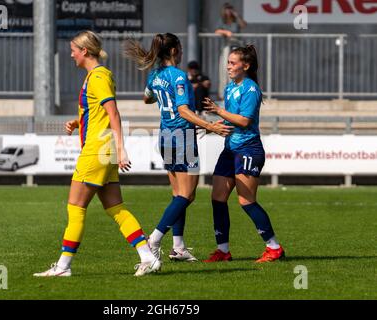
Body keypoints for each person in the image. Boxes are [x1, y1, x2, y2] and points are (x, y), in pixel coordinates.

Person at [34, 31, 160, 277]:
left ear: (84, 51)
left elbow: (113, 114)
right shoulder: (96, 76)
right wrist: (76, 122)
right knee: (116, 208)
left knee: (76, 207)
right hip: (104, 150)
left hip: (97, 151)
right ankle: (147, 256)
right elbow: (97, 113)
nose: (71, 54)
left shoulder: (98, 77)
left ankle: (63, 267)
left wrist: (122, 149)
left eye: (73, 50)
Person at [124, 33, 231, 263]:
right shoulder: (179, 76)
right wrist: (209, 126)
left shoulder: (154, 75)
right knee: (187, 194)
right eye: (180, 49)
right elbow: (183, 110)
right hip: (182, 136)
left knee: (178, 195)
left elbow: (146, 98)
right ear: (173, 51)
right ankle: (153, 238)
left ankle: (179, 247)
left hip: (165, 136)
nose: (182, 53)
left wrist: (163, 97)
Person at [202, 45, 285, 263]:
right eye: (228, 62)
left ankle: (274, 247)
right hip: (230, 150)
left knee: (246, 200)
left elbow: (245, 121)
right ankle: (223, 250)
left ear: (245, 66)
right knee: (217, 198)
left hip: (248, 150)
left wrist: (219, 111)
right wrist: (215, 125)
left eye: (232, 63)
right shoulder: (231, 88)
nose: (228, 66)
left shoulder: (250, 89)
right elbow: (233, 118)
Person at [215, 2, 247, 99]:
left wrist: (237, 15)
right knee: (226, 69)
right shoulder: (222, 21)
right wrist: (225, 32)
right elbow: (216, 31)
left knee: (237, 69)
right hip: (227, 48)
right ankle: (223, 93)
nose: (228, 11)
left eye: (230, 9)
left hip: (236, 47)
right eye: (227, 9)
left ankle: (236, 90)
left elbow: (243, 25)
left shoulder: (235, 21)